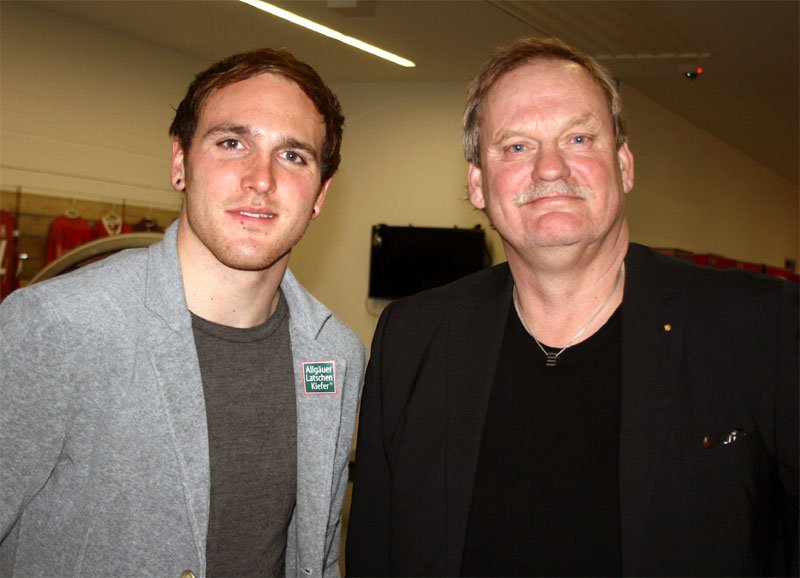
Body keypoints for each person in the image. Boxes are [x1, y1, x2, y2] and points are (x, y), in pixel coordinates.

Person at [346, 37, 798, 577]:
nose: (550, 168)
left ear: (624, 165)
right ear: (477, 185)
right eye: (516, 147)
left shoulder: (762, 326)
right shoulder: (413, 339)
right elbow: (376, 550)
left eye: (579, 138)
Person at [1, 48, 365, 578]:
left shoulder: (334, 355)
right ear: (180, 163)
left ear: (319, 195)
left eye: (293, 156)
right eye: (232, 143)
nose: (260, 178)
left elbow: (318, 552)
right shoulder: (57, 327)